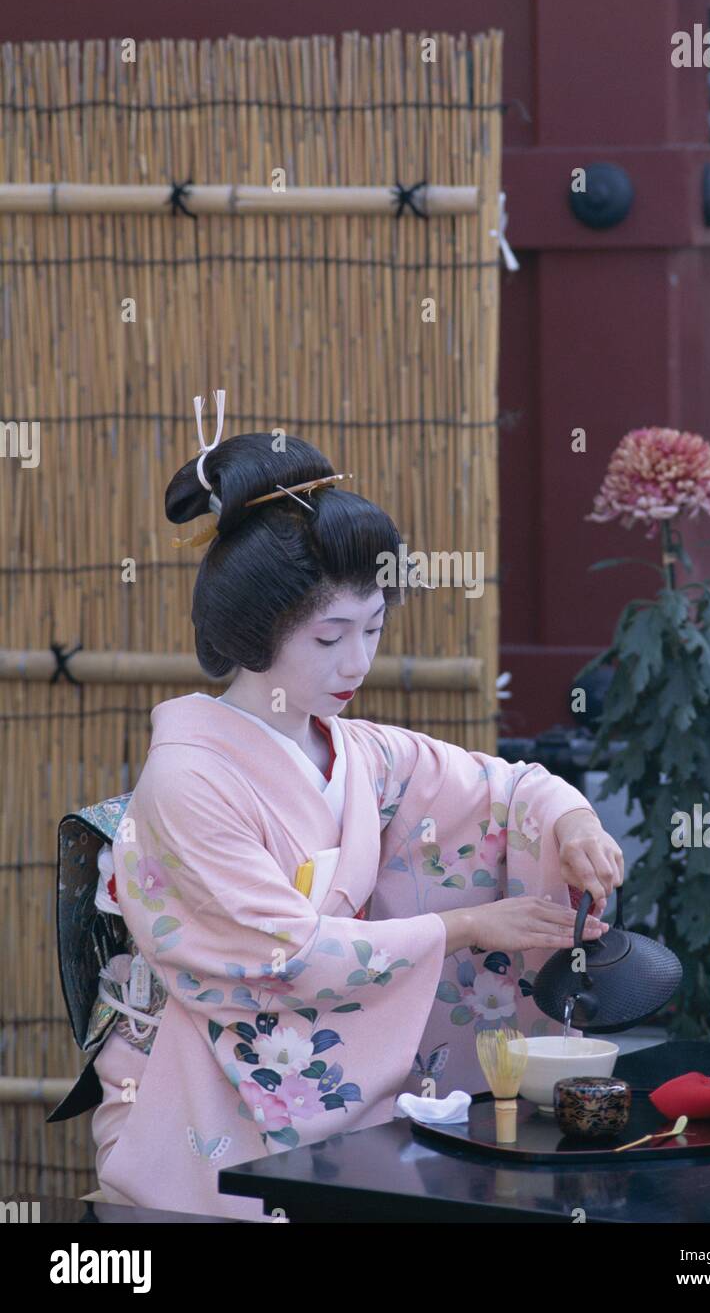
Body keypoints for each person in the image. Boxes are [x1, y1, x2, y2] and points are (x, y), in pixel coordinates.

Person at [91, 395, 624, 1220]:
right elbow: (281, 957)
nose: (357, 662)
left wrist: (573, 825)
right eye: (328, 637)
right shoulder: (189, 779)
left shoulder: (355, 750)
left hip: (324, 1090)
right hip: (204, 1096)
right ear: (251, 632)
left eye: (372, 629)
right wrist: (465, 927)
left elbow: (504, 790)